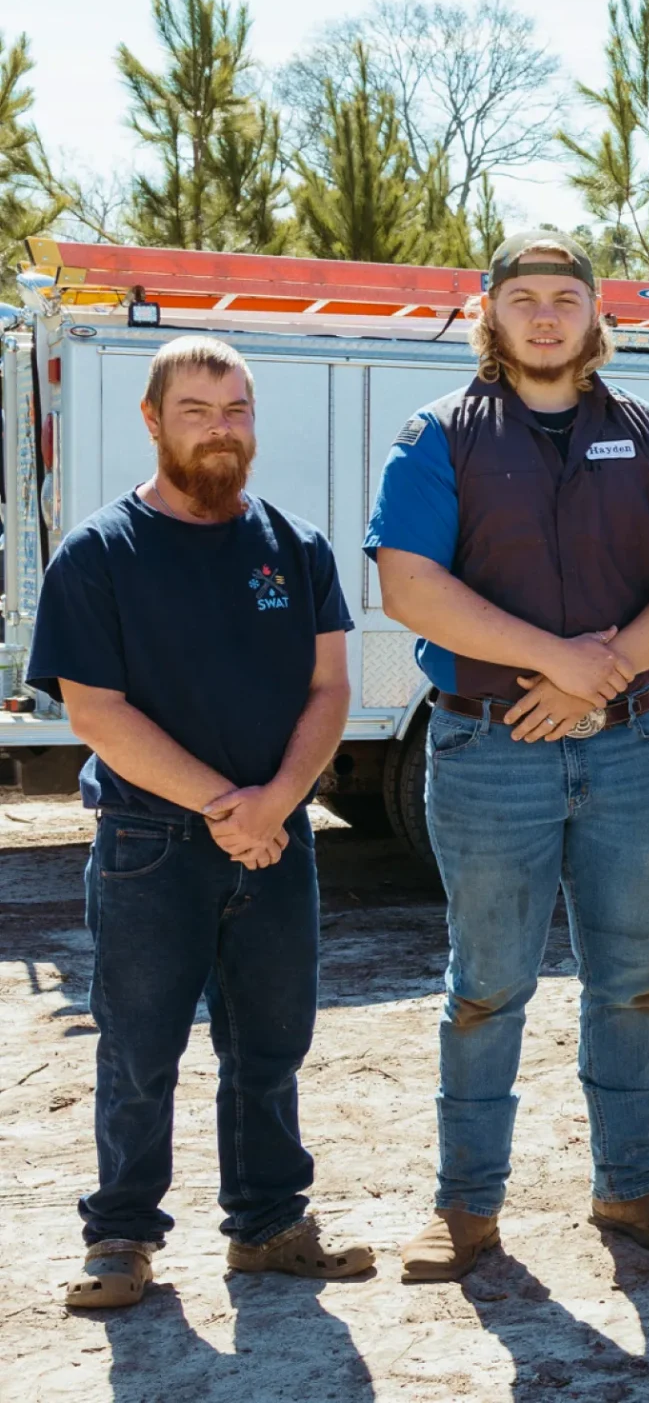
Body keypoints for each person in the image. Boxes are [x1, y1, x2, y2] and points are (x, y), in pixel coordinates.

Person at [367, 232, 649, 1282]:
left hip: (627, 749)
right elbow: (409, 585)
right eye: (521, 297)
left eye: (563, 298)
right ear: (489, 312)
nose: (543, 315)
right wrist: (556, 661)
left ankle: (632, 1184)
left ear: (594, 314)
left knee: (631, 980)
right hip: (488, 749)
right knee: (487, 985)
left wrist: (594, 681)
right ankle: (466, 1205)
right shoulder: (440, 436)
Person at [35, 335, 373, 1307]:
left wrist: (275, 804)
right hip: (148, 846)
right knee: (139, 1050)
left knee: (271, 1047)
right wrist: (232, 809)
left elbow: (330, 688)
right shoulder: (100, 554)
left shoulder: (296, 547)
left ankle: (268, 1226)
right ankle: (121, 1237)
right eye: (196, 411)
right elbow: (98, 715)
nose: (219, 430)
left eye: (235, 411)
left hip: (278, 840)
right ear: (152, 420)